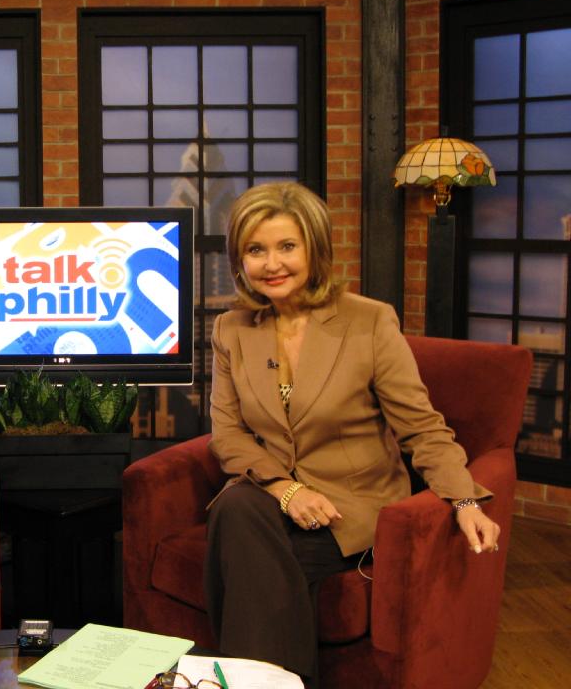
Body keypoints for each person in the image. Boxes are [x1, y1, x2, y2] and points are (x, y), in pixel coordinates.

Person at [203, 181, 499, 688]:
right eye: (255, 250)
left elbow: (421, 427)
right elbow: (227, 435)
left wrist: (465, 500)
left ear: (315, 249)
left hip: (352, 509)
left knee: (241, 550)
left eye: (287, 246)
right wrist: (287, 489)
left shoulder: (369, 321)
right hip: (272, 500)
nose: (271, 264)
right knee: (236, 509)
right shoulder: (233, 328)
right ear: (239, 260)